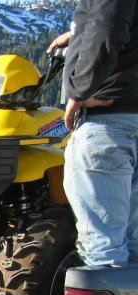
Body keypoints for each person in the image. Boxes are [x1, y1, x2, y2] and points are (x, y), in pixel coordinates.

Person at [48, 1, 138, 267]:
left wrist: (80, 90)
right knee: (135, 248)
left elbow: (108, 23)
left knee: (104, 253)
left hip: (108, 126)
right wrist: (79, 31)